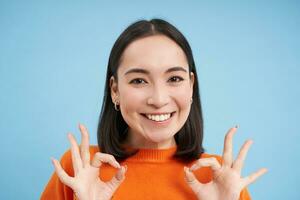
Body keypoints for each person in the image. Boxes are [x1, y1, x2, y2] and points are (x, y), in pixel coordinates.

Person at [41, 18, 267, 200]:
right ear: (115, 90)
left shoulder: (219, 178)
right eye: (139, 81)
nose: (158, 99)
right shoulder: (80, 169)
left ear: (191, 87)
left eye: (174, 78)